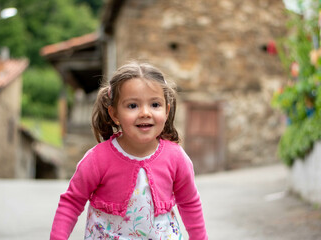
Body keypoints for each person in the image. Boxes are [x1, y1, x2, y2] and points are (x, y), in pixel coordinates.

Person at [50, 61, 208, 240]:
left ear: (167, 110)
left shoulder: (176, 157)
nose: (145, 113)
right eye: (133, 106)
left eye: (155, 105)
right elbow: (71, 202)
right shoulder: (97, 159)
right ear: (114, 114)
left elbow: (190, 203)